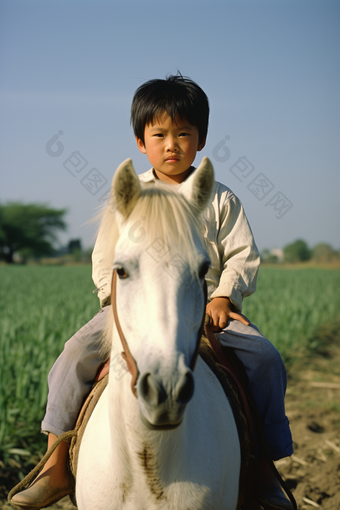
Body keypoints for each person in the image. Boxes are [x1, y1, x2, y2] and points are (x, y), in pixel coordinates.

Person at [11, 74, 293, 510]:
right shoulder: (130, 196)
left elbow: (241, 254)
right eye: (159, 134)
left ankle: (262, 469)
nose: (172, 144)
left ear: (201, 139)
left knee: (266, 358)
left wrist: (224, 296)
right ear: (141, 141)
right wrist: (117, 303)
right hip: (136, 306)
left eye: (184, 134)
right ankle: (54, 466)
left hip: (206, 308)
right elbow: (107, 260)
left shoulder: (218, 199)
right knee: (72, 355)